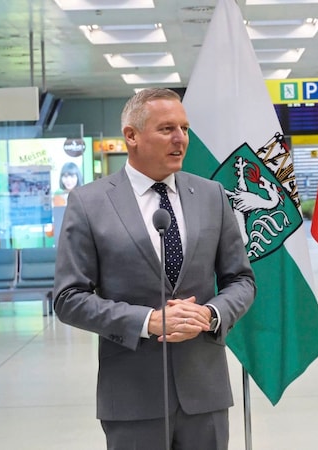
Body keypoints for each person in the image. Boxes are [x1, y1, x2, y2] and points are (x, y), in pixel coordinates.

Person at [53, 88, 256, 450]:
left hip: (204, 392)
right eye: (166, 129)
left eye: (184, 128)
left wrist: (210, 314)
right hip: (132, 396)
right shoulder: (89, 203)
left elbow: (241, 279)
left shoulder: (212, 196)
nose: (181, 139)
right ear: (131, 135)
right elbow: (69, 298)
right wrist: (147, 322)